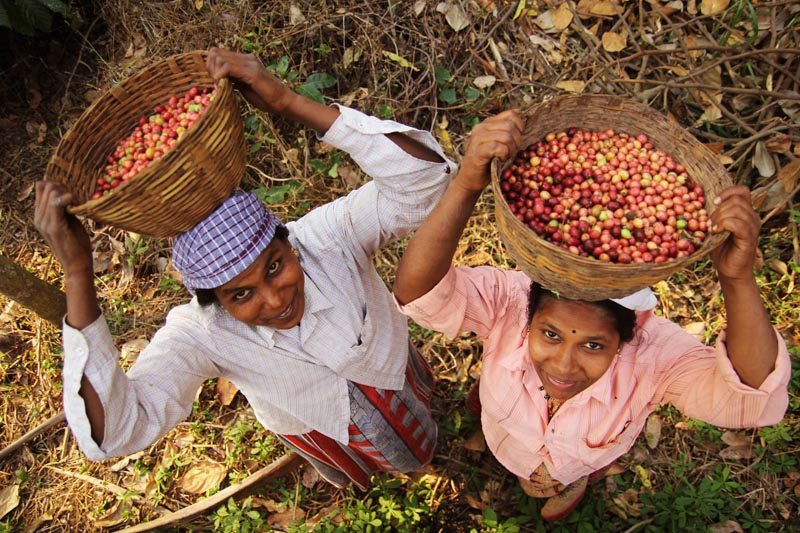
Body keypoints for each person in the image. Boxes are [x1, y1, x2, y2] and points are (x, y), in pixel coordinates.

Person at [33, 47, 458, 490]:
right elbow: (117, 431)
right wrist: (78, 272)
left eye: (275, 267)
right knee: (367, 464)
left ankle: (425, 448)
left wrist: (290, 102)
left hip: (391, 369)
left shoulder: (329, 238)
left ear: (287, 241)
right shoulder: (201, 334)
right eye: (240, 294)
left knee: (419, 416)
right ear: (212, 300)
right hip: (322, 423)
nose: (275, 299)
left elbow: (425, 184)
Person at [392, 110, 791, 521]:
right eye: (549, 335)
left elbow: (750, 396)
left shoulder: (655, 359)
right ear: (529, 316)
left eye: (594, 345)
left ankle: (572, 480)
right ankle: (503, 445)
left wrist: (737, 277)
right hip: (505, 435)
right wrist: (468, 183)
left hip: (578, 458)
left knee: (576, 465)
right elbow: (419, 293)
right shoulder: (509, 303)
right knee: (498, 426)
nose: (565, 364)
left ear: (629, 336)